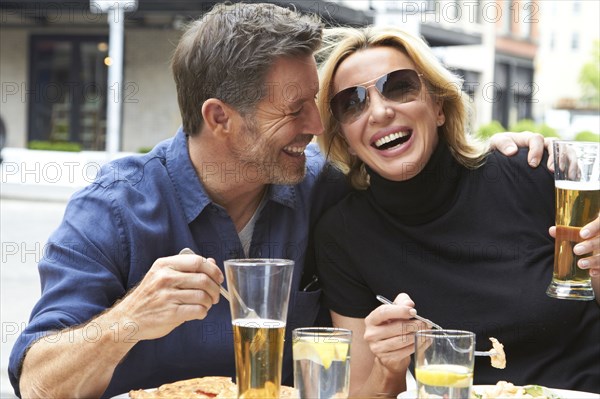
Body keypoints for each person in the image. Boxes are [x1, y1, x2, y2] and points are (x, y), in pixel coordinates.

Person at [8, 4, 548, 398]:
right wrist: (129, 320)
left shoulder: (323, 190)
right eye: (295, 111)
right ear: (220, 118)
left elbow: (424, 181)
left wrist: (503, 159)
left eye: (317, 105)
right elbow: (36, 381)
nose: (317, 126)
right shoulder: (113, 211)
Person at [312, 26, 600, 397]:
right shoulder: (344, 235)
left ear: (440, 106)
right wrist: (388, 366)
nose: (380, 111)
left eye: (399, 86)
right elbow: (362, 393)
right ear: (345, 140)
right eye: (351, 103)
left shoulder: (530, 172)